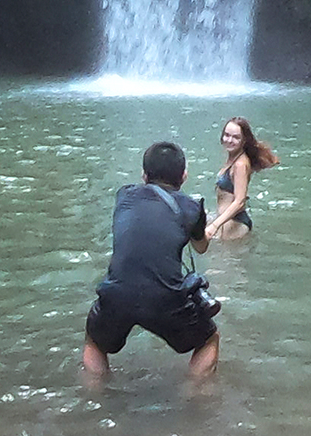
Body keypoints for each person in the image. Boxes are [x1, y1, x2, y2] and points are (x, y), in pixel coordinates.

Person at [82, 140, 218, 385]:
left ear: (144, 175)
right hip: (165, 298)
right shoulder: (191, 207)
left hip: (118, 292)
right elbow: (201, 246)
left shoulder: (123, 195)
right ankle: (197, 401)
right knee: (209, 339)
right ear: (184, 176)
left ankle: (95, 398)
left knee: (95, 341)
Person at [204, 116, 279, 242]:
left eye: (235, 137)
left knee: (224, 261)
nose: (230, 140)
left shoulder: (240, 165)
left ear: (244, 140)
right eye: (227, 135)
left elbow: (239, 201)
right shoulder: (232, 158)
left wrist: (215, 225)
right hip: (227, 221)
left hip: (235, 224)